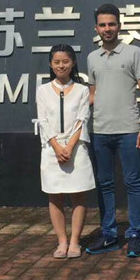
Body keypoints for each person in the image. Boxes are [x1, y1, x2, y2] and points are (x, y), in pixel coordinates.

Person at [86, 3, 140, 258]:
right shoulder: (92, 58)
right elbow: (93, 94)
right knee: (105, 183)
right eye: (102, 25)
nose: (107, 29)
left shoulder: (134, 53)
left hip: (129, 130)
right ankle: (109, 235)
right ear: (96, 28)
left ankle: (135, 234)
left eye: (111, 24)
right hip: (100, 130)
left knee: (133, 182)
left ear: (119, 26)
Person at [34, 44, 95, 259]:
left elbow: (82, 119)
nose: (61, 66)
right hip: (52, 149)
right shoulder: (42, 90)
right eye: (57, 62)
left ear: (73, 63)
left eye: (65, 61)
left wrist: (69, 147)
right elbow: (43, 120)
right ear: (51, 64)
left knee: (79, 194)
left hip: (76, 149)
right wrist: (57, 146)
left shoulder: (82, 90)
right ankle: (62, 241)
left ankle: (75, 241)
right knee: (55, 195)